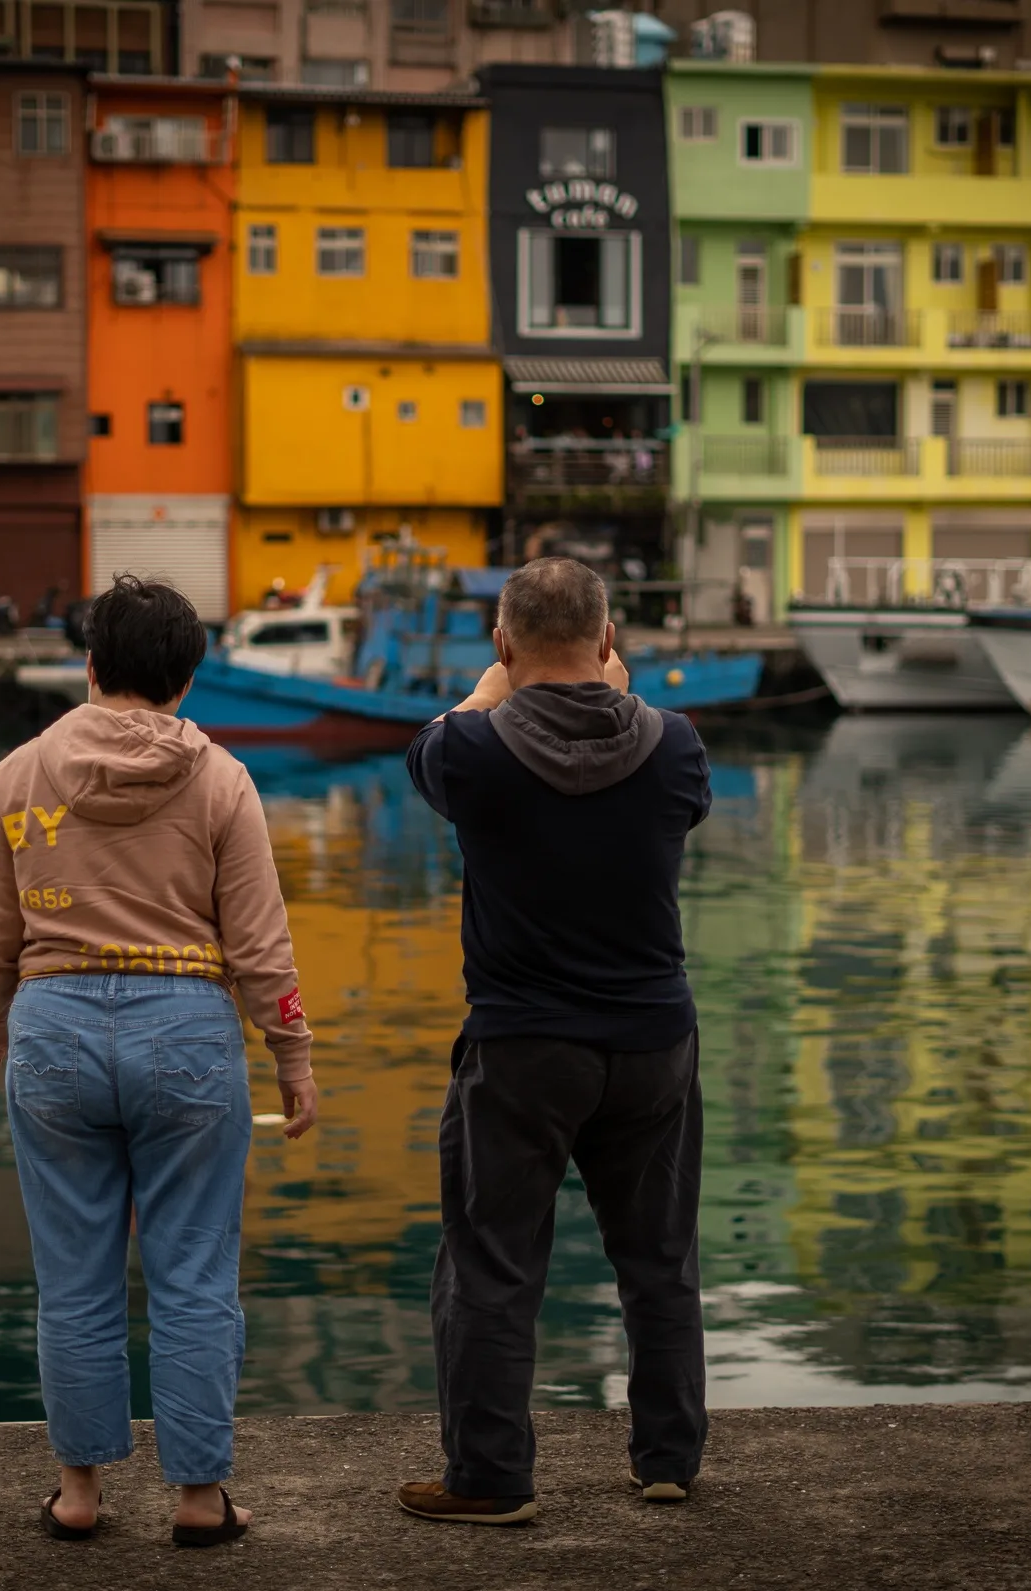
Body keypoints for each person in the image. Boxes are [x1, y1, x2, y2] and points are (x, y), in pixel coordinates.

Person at [0, 575, 318, 1549]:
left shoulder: (20, 774)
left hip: (55, 1029)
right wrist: (293, 1054)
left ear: (89, 664)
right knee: (195, 1275)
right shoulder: (222, 780)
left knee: (72, 1278)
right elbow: (261, 946)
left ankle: (79, 1494)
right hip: (187, 1035)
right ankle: (199, 1502)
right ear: (189, 676)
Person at [397, 557, 713, 1526]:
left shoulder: (471, 752)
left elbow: (438, 740)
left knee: (492, 1264)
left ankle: (490, 1478)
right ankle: (667, 1457)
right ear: (609, 641)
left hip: (524, 1047)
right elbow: (657, 777)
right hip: (654, 1042)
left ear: (501, 643)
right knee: (659, 1257)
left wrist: (490, 692)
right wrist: (619, 693)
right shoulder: (677, 747)